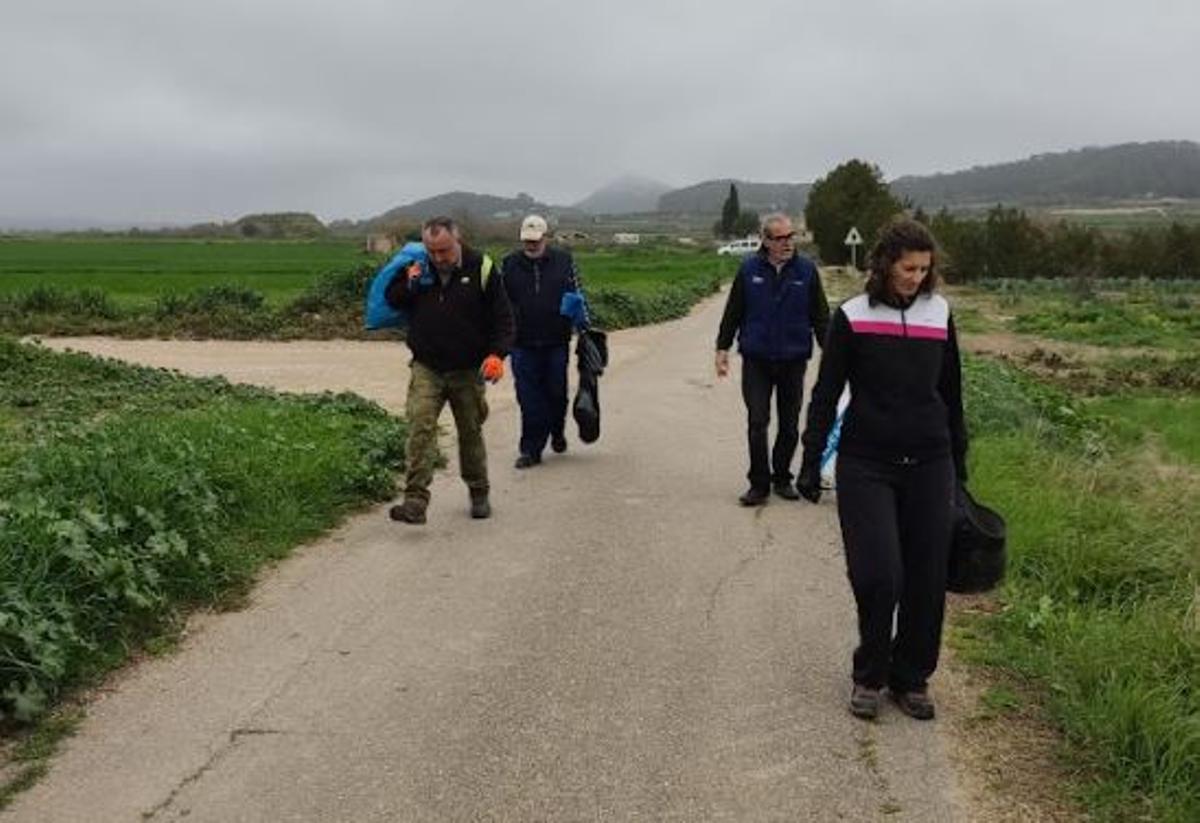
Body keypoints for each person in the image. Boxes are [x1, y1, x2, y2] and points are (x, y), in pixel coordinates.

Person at [795, 216, 968, 721]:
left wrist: (960, 463)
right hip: (866, 462)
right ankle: (869, 674)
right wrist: (808, 459)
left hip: (930, 463)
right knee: (879, 575)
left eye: (923, 269)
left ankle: (910, 678)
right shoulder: (851, 315)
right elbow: (826, 393)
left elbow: (951, 395)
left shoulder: (940, 314)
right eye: (908, 268)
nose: (916, 277)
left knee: (925, 577)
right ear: (886, 263)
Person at [385, 216, 515, 524]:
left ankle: (479, 491)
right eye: (433, 251)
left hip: (468, 369)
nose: (439, 258)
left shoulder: (481, 267)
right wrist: (412, 281)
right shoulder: (416, 265)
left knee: (470, 432)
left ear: (458, 240)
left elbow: (503, 316)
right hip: (427, 366)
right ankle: (415, 501)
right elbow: (394, 298)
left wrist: (498, 354)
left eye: (444, 250)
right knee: (419, 427)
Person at [715, 213, 830, 506]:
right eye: (780, 238)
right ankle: (759, 484)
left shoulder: (806, 271)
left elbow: (820, 317)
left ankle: (781, 478)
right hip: (757, 359)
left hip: (793, 359)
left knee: (790, 425)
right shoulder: (748, 270)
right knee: (758, 422)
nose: (787, 243)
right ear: (765, 240)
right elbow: (733, 312)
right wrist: (722, 348)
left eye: (791, 237)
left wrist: (830, 353)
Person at [500, 214, 585, 468]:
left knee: (556, 394)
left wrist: (584, 327)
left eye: (536, 240)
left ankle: (556, 431)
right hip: (522, 342)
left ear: (546, 238)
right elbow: (500, 303)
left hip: (556, 340)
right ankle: (530, 450)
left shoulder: (564, 261)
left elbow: (577, 295)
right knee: (528, 397)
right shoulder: (509, 264)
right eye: (527, 241)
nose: (531, 245)